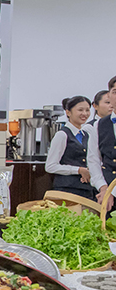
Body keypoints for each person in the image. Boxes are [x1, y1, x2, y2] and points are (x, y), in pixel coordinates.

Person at [46, 96, 94, 201]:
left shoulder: (87, 134)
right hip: (67, 190)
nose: (85, 114)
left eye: (87, 110)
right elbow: (50, 166)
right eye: (80, 110)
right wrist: (78, 170)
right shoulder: (62, 135)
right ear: (68, 112)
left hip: (86, 190)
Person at [88, 76, 116, 209]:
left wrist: (112, 191)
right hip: (106, 195)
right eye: (115, 92)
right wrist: (103, 187)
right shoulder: (99, 125)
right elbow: (93, 160)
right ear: (109, 95)